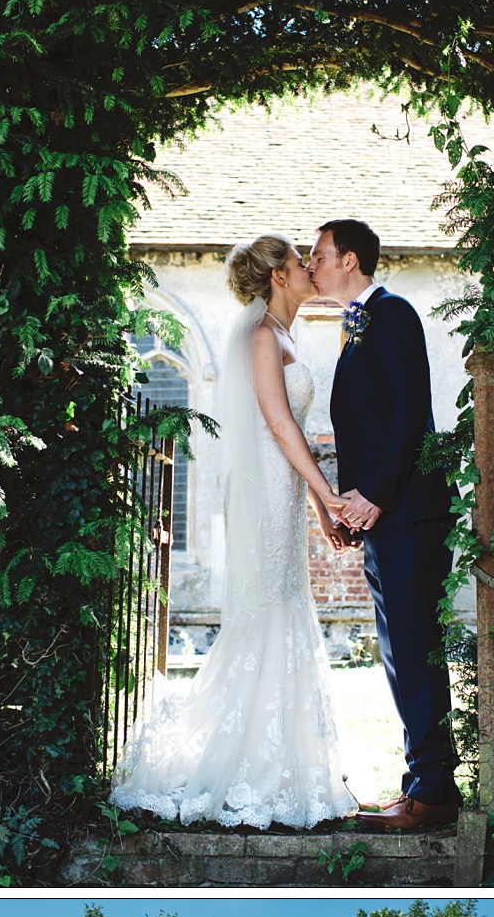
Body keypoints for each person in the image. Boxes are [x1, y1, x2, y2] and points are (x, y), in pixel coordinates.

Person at [110, 236, 358, 831]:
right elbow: (276, 421)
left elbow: (291, 429)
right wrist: (328, 495)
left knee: (283, 605)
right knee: (265, 611)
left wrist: (319, 508)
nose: (308, 269)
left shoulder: (287, 336)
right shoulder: (259, 337)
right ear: (277, 275)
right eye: (300, 262)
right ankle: (247, 763)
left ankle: (282, 761)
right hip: (268, 490)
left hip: (287, 490)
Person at [307, 219, 460, 832]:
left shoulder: (391, 314)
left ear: (348, 260)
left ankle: (433, 793)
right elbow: (372, 429)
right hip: (387, 516)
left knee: (414, 650)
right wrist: (355, 508)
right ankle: (421, 783)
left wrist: (376, 495)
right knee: (400, 651)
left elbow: (410, 413)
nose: (309, 264)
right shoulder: (354, 326)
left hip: (409, 513)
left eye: (317, 255)